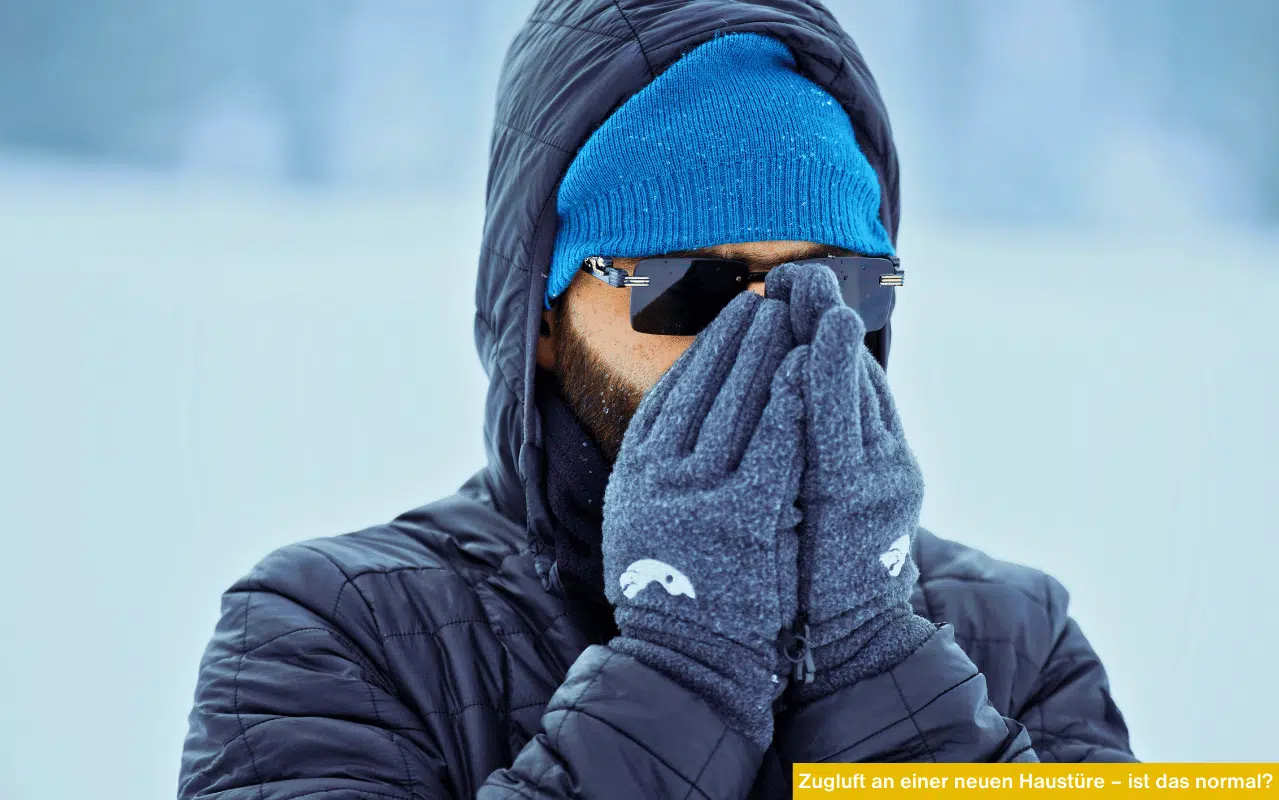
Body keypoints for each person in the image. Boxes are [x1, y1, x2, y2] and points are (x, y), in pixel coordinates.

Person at [178, 3, 1135, 798]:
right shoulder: (331, 634)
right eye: (690, 289)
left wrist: (877, 669)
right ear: (541, 316)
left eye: (834, 286)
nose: (770, 342)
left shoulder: (1015, 638)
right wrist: (682, 677)